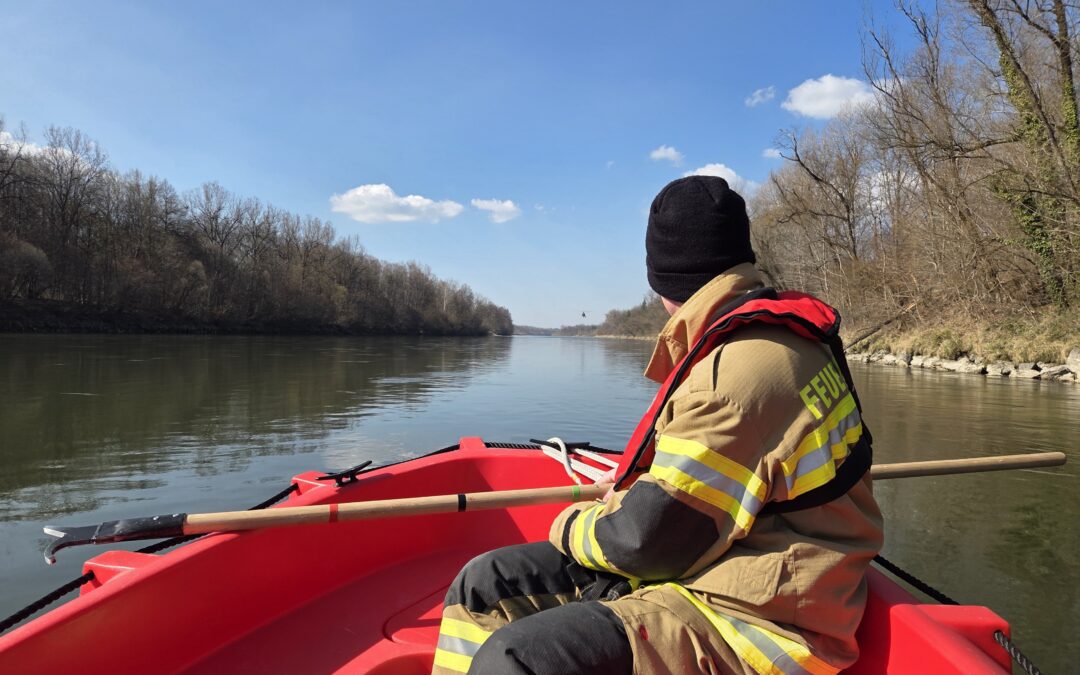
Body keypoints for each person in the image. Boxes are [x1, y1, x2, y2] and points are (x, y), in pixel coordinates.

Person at [432, 176, 884, 675]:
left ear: (662, 282)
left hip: (763, 620)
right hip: (737, 563)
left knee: (517, 659)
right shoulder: (788, 338)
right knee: (487, 583)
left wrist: (571, 523)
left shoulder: (728, 379)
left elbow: (645, 543)